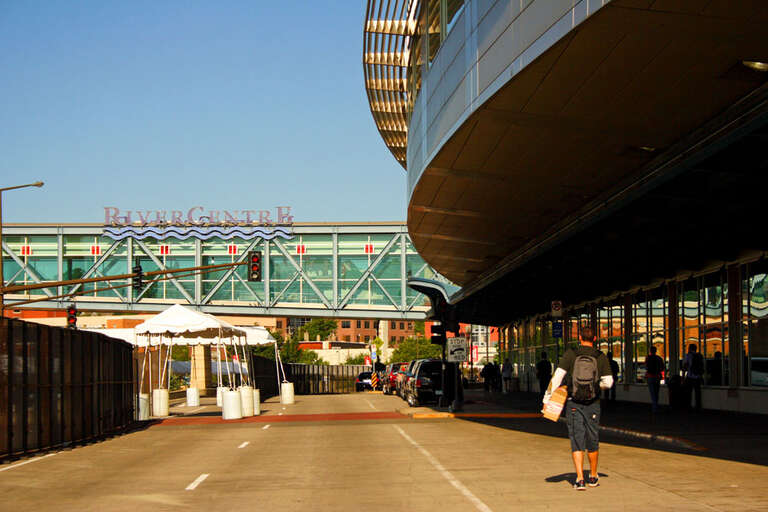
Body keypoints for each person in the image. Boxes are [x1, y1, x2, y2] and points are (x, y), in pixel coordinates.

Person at [543, 327, 613, 490]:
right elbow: (609, 382)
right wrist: (595, 387)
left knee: (577, 439)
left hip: (573, 403)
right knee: (593, 439)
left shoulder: (571, 354)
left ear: (580, 338)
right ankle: (593, 476)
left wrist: (547, 399)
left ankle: (580, 479)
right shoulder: (600, 356)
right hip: (593, 403)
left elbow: (557, 378)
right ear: (594, 339)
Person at [682, 343, 704, 410]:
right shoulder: (699, 356)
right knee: (698, 393)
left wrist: (683, 377)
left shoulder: (688, 356)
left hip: (690, 376)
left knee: (688, 392)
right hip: (698, 377)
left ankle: (688, 406)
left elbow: (685, 366)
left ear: (689, 348)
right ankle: (698, 407)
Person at [644, 346, 665, 413]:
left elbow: (646, 367)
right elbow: (662, 368)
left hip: (650, 377)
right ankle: (656, 406)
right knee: (656, 392)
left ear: (650, 351)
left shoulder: (648, 358)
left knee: (652, 393)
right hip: (657, 377)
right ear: (656, 351)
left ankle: (654, 407)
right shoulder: (659, 358)